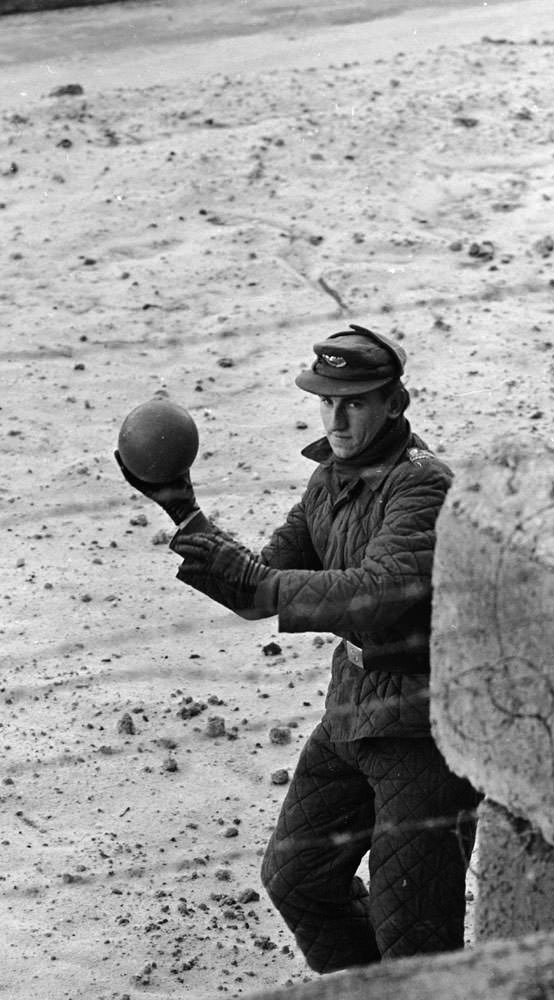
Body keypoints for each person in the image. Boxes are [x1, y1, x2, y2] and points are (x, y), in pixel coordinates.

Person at [115, 324, 480, 974]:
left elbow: (380, 591)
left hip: (422, 734)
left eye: (355, 402)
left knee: (414, 933)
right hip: (351, 713)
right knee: (297, 879)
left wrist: (257, 579)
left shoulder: (424, 486)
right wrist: (182, 510)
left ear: (395, 403)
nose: (336, 418)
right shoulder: (329, 481)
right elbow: (260, 584)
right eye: (326, 401)